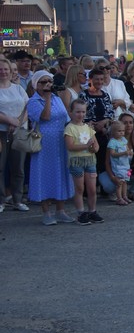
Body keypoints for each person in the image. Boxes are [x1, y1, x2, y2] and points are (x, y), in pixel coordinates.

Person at [26, 71, 75, 225]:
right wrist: (46, 99)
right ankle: (46, 212)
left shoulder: (57, 98)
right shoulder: (33, 101)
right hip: (43, 143)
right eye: (43, 82)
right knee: (43, 174)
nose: (47, 84)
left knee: (60, 173)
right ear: (36, 85)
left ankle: (60, 210)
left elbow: (65, 118)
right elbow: (45, 117)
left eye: (49, 81)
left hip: (60, 142)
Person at [0, 56, 30, 212]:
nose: (3, 72)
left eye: (6, 69)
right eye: (0, 69)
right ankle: (1, 201)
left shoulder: (18, 88)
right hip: (1, 132)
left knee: (18, 168)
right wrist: (9, 120)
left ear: (10, 71)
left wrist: (18, 122)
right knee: (0, 167)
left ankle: (17, 200)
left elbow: (27, 108)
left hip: (19, 132)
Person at [64, 98, 102, 224]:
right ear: (71, 113)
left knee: (91, 189)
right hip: (76, 161)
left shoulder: (88, 127)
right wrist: (86, 146)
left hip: (90, 161)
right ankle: (80, 213)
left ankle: (92, 211)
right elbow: (70, 146)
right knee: (79, 188)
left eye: (83, 112)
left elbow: (96, 146)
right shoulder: (69, 128)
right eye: (78, 112)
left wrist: (93, 147)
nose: (81, 115)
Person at [105, 118, 134, 205]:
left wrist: (129, 152)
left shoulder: (123, 140)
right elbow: (112, 154)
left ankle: (125, 196)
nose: (121, 133)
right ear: (113, 132)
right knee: (119, 183)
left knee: (125, 182)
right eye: (119, 131)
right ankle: (119, 198)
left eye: (123, 131)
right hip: (118, 166)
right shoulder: (112, 142)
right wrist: (124, 153)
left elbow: (127, 148)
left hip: (125, 165)